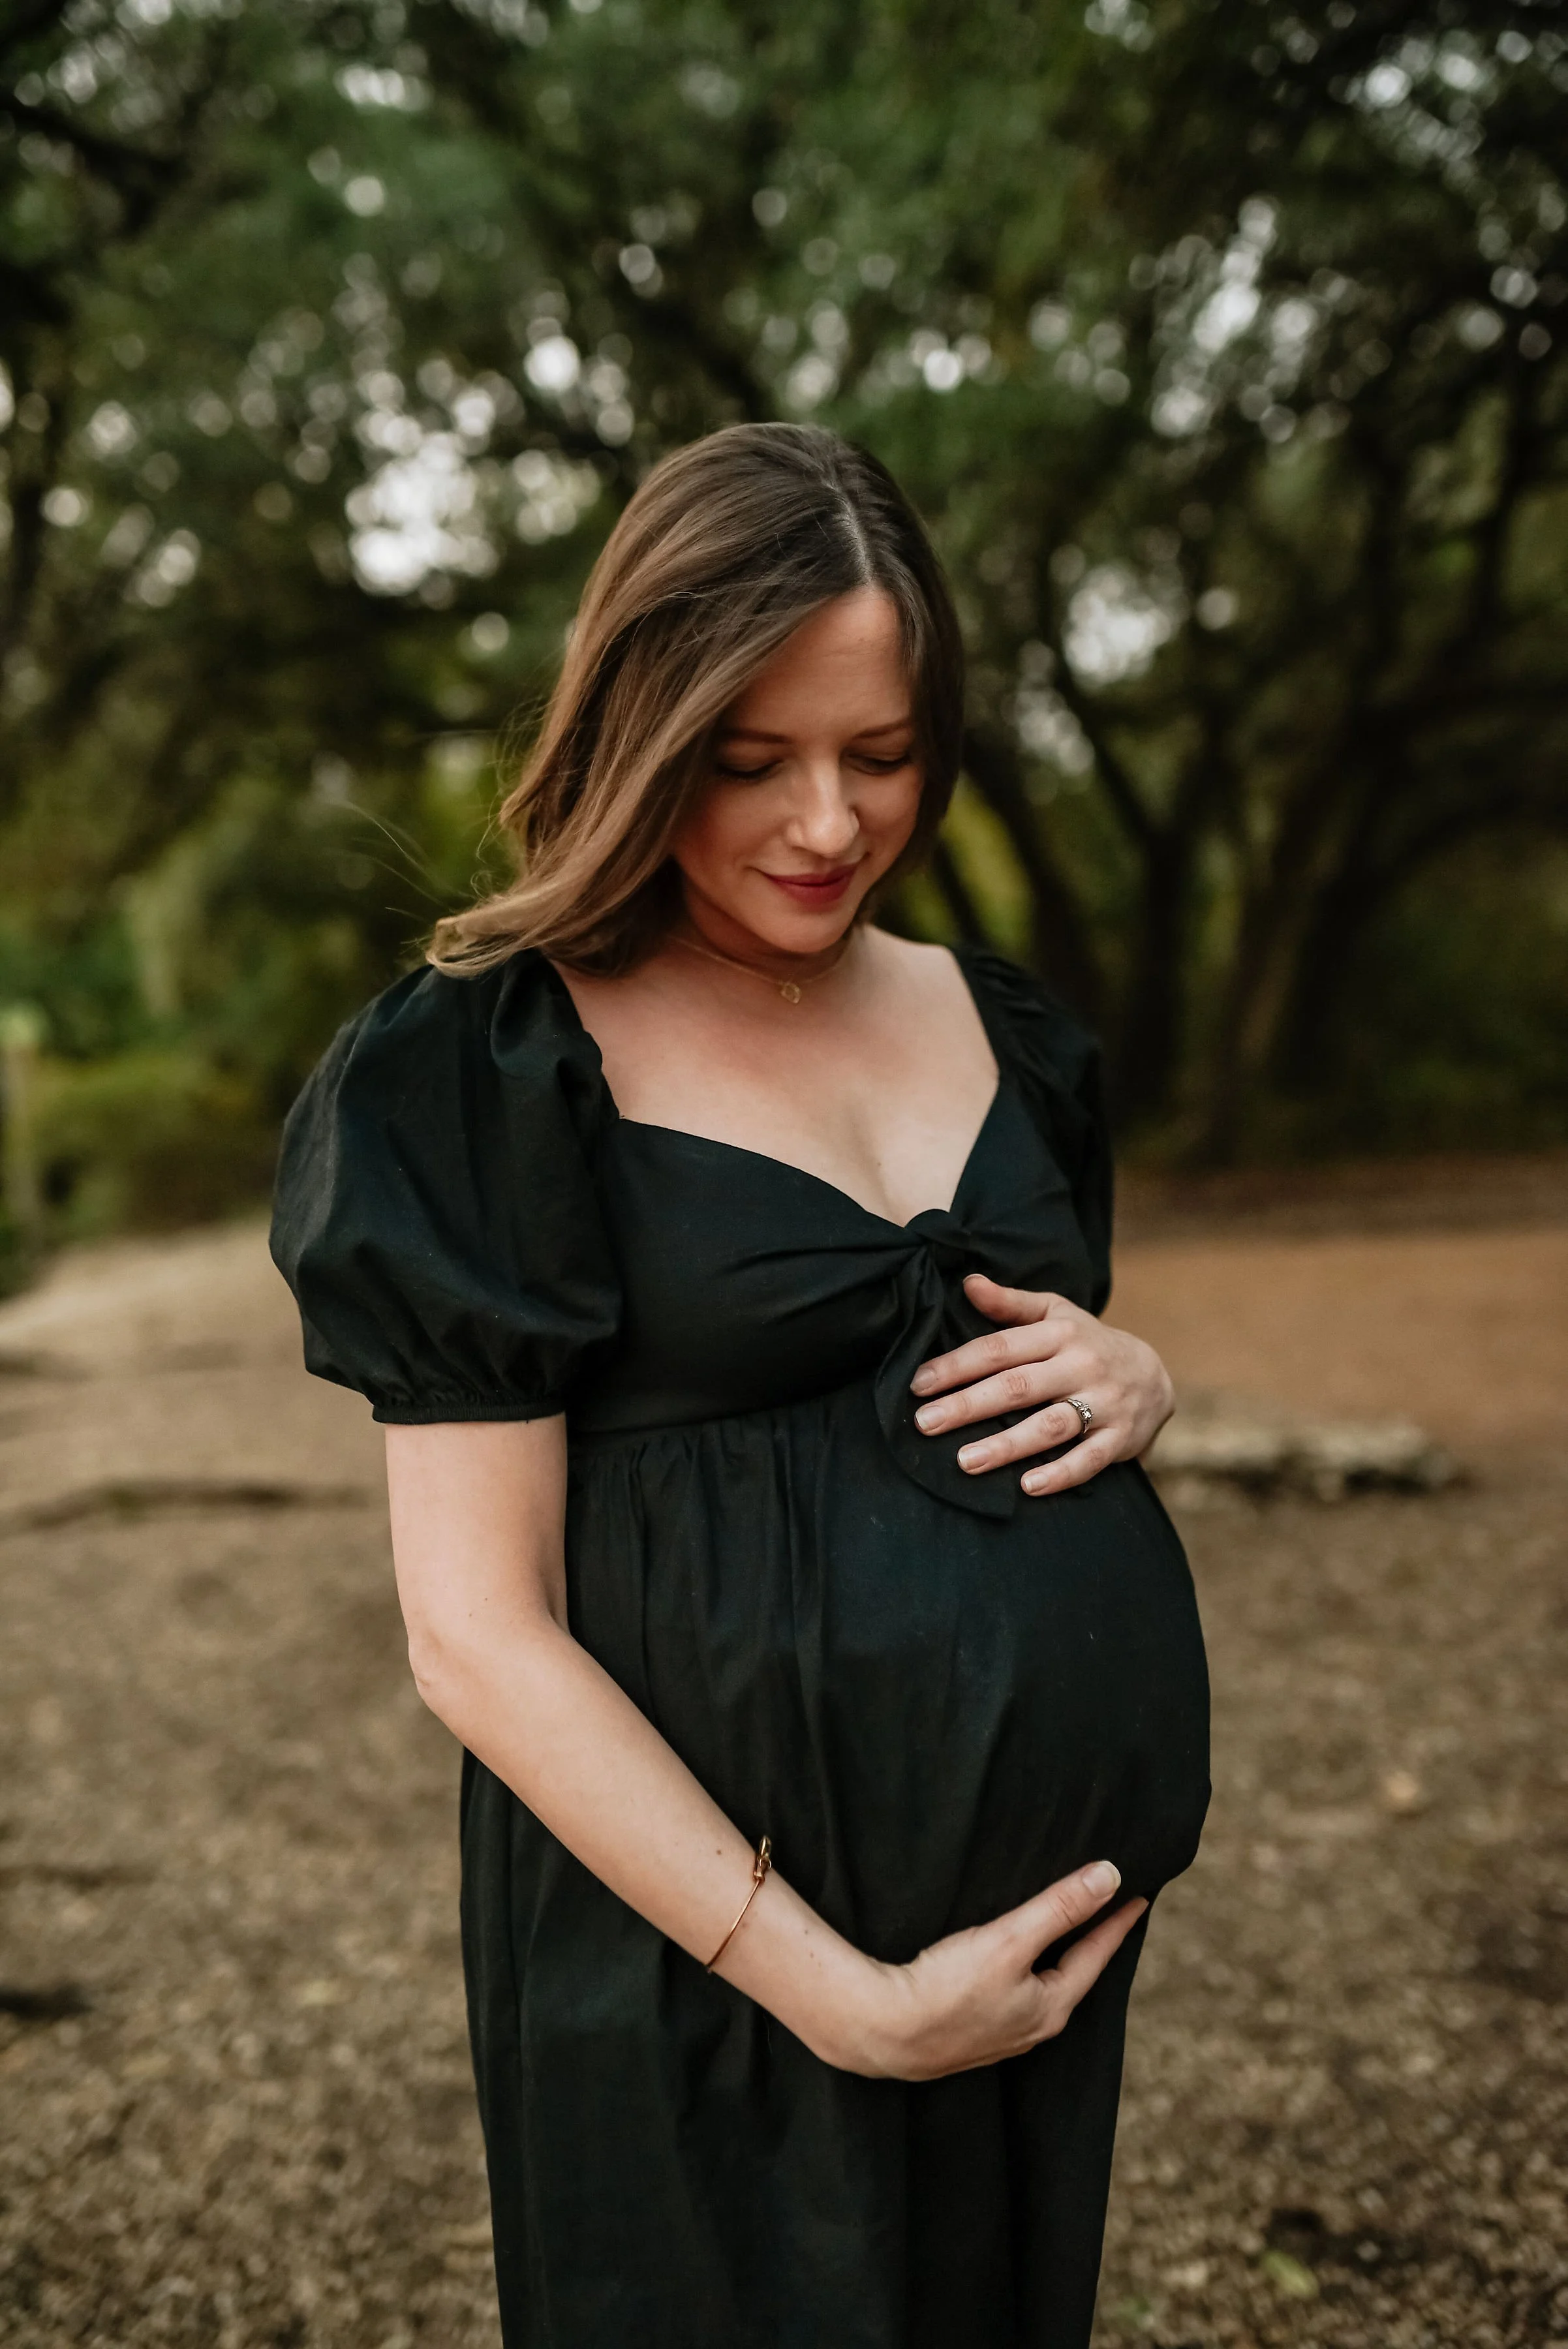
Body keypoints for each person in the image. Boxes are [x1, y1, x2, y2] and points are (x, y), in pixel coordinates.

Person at [270, 422, 1209, 2349]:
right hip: (701, 1953)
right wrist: (841, 1994)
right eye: (749, 758)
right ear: (639, 729)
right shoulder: (487, 1069)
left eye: (883, 756)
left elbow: (994, 1379)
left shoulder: (1002, 1024)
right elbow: (474, 1633)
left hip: (1030, 1953)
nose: (827, 825)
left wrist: (1134, 1372)